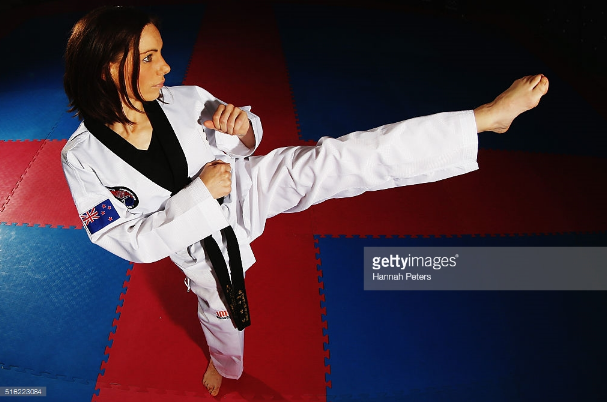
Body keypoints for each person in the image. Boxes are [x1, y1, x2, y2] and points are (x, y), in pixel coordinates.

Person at [61, 5, 548, 397]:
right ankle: (226, 367)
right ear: (109, 68)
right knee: (223, 313)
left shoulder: (183, 99)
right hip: (194, 243)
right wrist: (199, 196)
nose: (166, 67)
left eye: (161, 53)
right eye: (149, 57)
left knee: (334, 159)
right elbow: (128, 241)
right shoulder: (82, 158)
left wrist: (243, 128)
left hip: (244, 187)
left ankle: (481, 121)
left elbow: (243, 140)